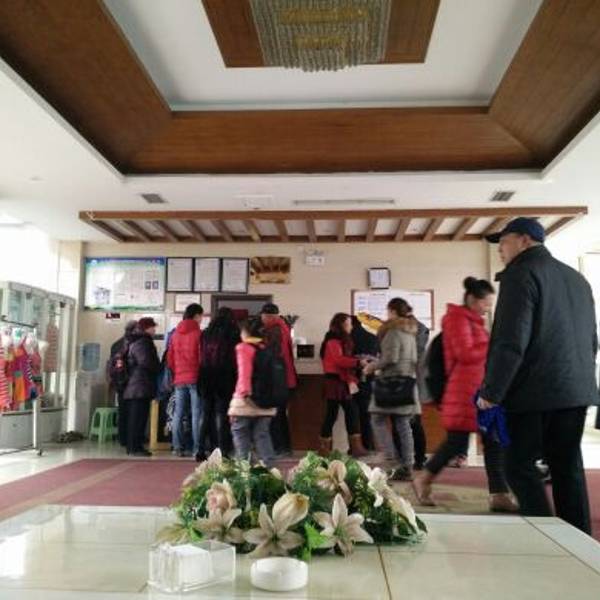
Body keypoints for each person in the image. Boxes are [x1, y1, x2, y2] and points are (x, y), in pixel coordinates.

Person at [478, 217, 599, 534]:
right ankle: (579, 539)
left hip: (535, 391)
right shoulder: (576, 278)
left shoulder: (521, 273)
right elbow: (592, 339)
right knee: (567, 466)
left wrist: (491, 391)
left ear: (524, 240)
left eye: (504, 242)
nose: (500, 250)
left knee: (517, 465)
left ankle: (548, 536)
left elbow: (511, 340)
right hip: (575, 389)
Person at [413, 278, 515, 512]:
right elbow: (465, 353)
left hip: (479, 389)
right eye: (485, 303)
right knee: (457, 441)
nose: (487, 308)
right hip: (464, 391)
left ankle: (498, 494)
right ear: (471, 299)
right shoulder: (457, 320)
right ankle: (423, 479)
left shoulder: (473, 322)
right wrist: (495, 345)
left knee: (492, 441)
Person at [364, 298, 418, 481]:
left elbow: (390, 358)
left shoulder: (394, 330)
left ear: (393, 311)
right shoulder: (410, 332)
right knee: (403, 424)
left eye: (388, 311)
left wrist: (371, 366)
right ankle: (408, 465)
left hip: (390, 383)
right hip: (407, 381)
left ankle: (391, 459)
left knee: (377, 419)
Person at [319, 313, 369, 457]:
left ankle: (330, 449)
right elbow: (339, 360)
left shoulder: (338, 340)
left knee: (346, 413)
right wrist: (358, 362)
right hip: (336, 382)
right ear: (341, 325)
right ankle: (327, 449)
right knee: (334, 415)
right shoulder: (333, 341)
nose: (351, 326)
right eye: (348, 323)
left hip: (340, 381)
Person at [228, 320, 277, 467]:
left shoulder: (244, 348)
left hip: (246, 402)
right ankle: (270, 471)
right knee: (262, 436)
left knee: (240, 434)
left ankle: (245, 471)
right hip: (267, 402)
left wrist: (244, 395)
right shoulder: (267, 348)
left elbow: (244, 374)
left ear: (246, 333)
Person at [200, 307, 240, 458]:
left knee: (206, 414)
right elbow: (236, 357)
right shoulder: (233, 333)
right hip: (225, 377)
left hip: (206, 376)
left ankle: (201, 449)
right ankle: (223, 450)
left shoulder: (206, 333)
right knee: (222, 415)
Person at [167, 303, 204, 461]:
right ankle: (197, 449)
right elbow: (202, 357)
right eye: (201, 316)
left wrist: (177, 372)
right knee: (196, 414)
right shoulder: (199, 334)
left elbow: (170, 358)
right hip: (195, 377)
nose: (201, 319)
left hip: (179, 379)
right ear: (196, 315)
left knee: (178, 413)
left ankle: (177, 447)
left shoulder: (175, 334)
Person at [261, 303, 297, 456]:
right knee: (279, 415)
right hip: (285, 379)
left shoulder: (275, 330)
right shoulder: (283, 327)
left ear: (269, 316)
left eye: (263, 316)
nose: (262, 319)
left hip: (278, 380)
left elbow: (274, 356)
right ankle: (284, 447)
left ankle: (280, 447)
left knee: (276, 415)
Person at [122, 317, 160, 457]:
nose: (154, 330)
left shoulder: (134, 340)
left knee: (136, 417)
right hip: (140, 385)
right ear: (146, 328)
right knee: (138, 418)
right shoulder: (143, 342)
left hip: (135, 385)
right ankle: (135, 447)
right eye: (152, 327)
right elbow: (146, 362)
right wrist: (158, 366)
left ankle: (132, 446)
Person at [351, 315, 379, 450]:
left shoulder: (348, 339)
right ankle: (369, 444)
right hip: (369, 380)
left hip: (352, 380)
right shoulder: (373, 338)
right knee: (366, 414)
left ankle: (356, 447)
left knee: (353, 415)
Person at [108, 320, 137, 447]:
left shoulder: (115, 344)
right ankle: (130, 438)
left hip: (119, 382)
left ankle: (122, 438)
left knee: (122, 411)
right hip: (131, 382)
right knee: (133, 412)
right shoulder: (133, 343)